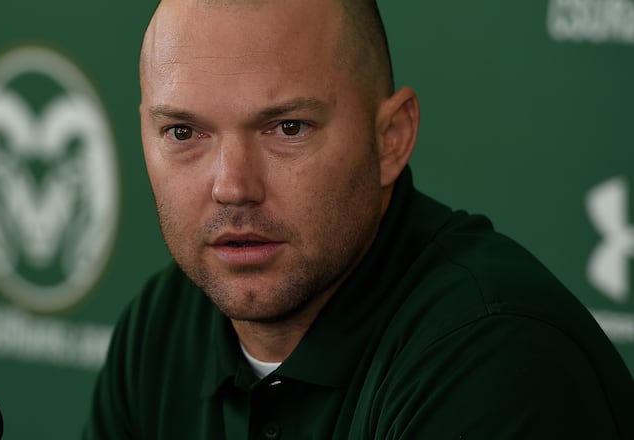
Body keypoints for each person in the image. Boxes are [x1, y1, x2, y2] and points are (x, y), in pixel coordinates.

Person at [84, 0, 634, 438]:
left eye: (288, 128)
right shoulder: (162, 326)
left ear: (391, 138)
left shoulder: (497, 360)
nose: (232, 186)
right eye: (183, 132)